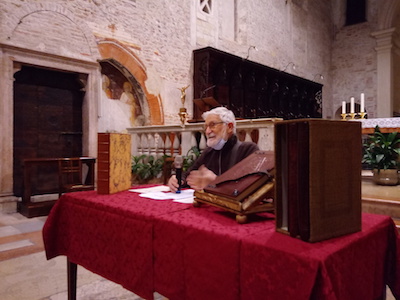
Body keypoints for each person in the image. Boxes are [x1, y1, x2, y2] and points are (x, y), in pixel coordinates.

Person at [168, 107, 259, 192]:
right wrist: (178, 180)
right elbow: (189, 174)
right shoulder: (209, 152)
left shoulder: (248, 150)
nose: (207, 131)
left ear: (229, 127)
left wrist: (215, 182)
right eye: (206, 127)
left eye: (212, 125)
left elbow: (252, 186)